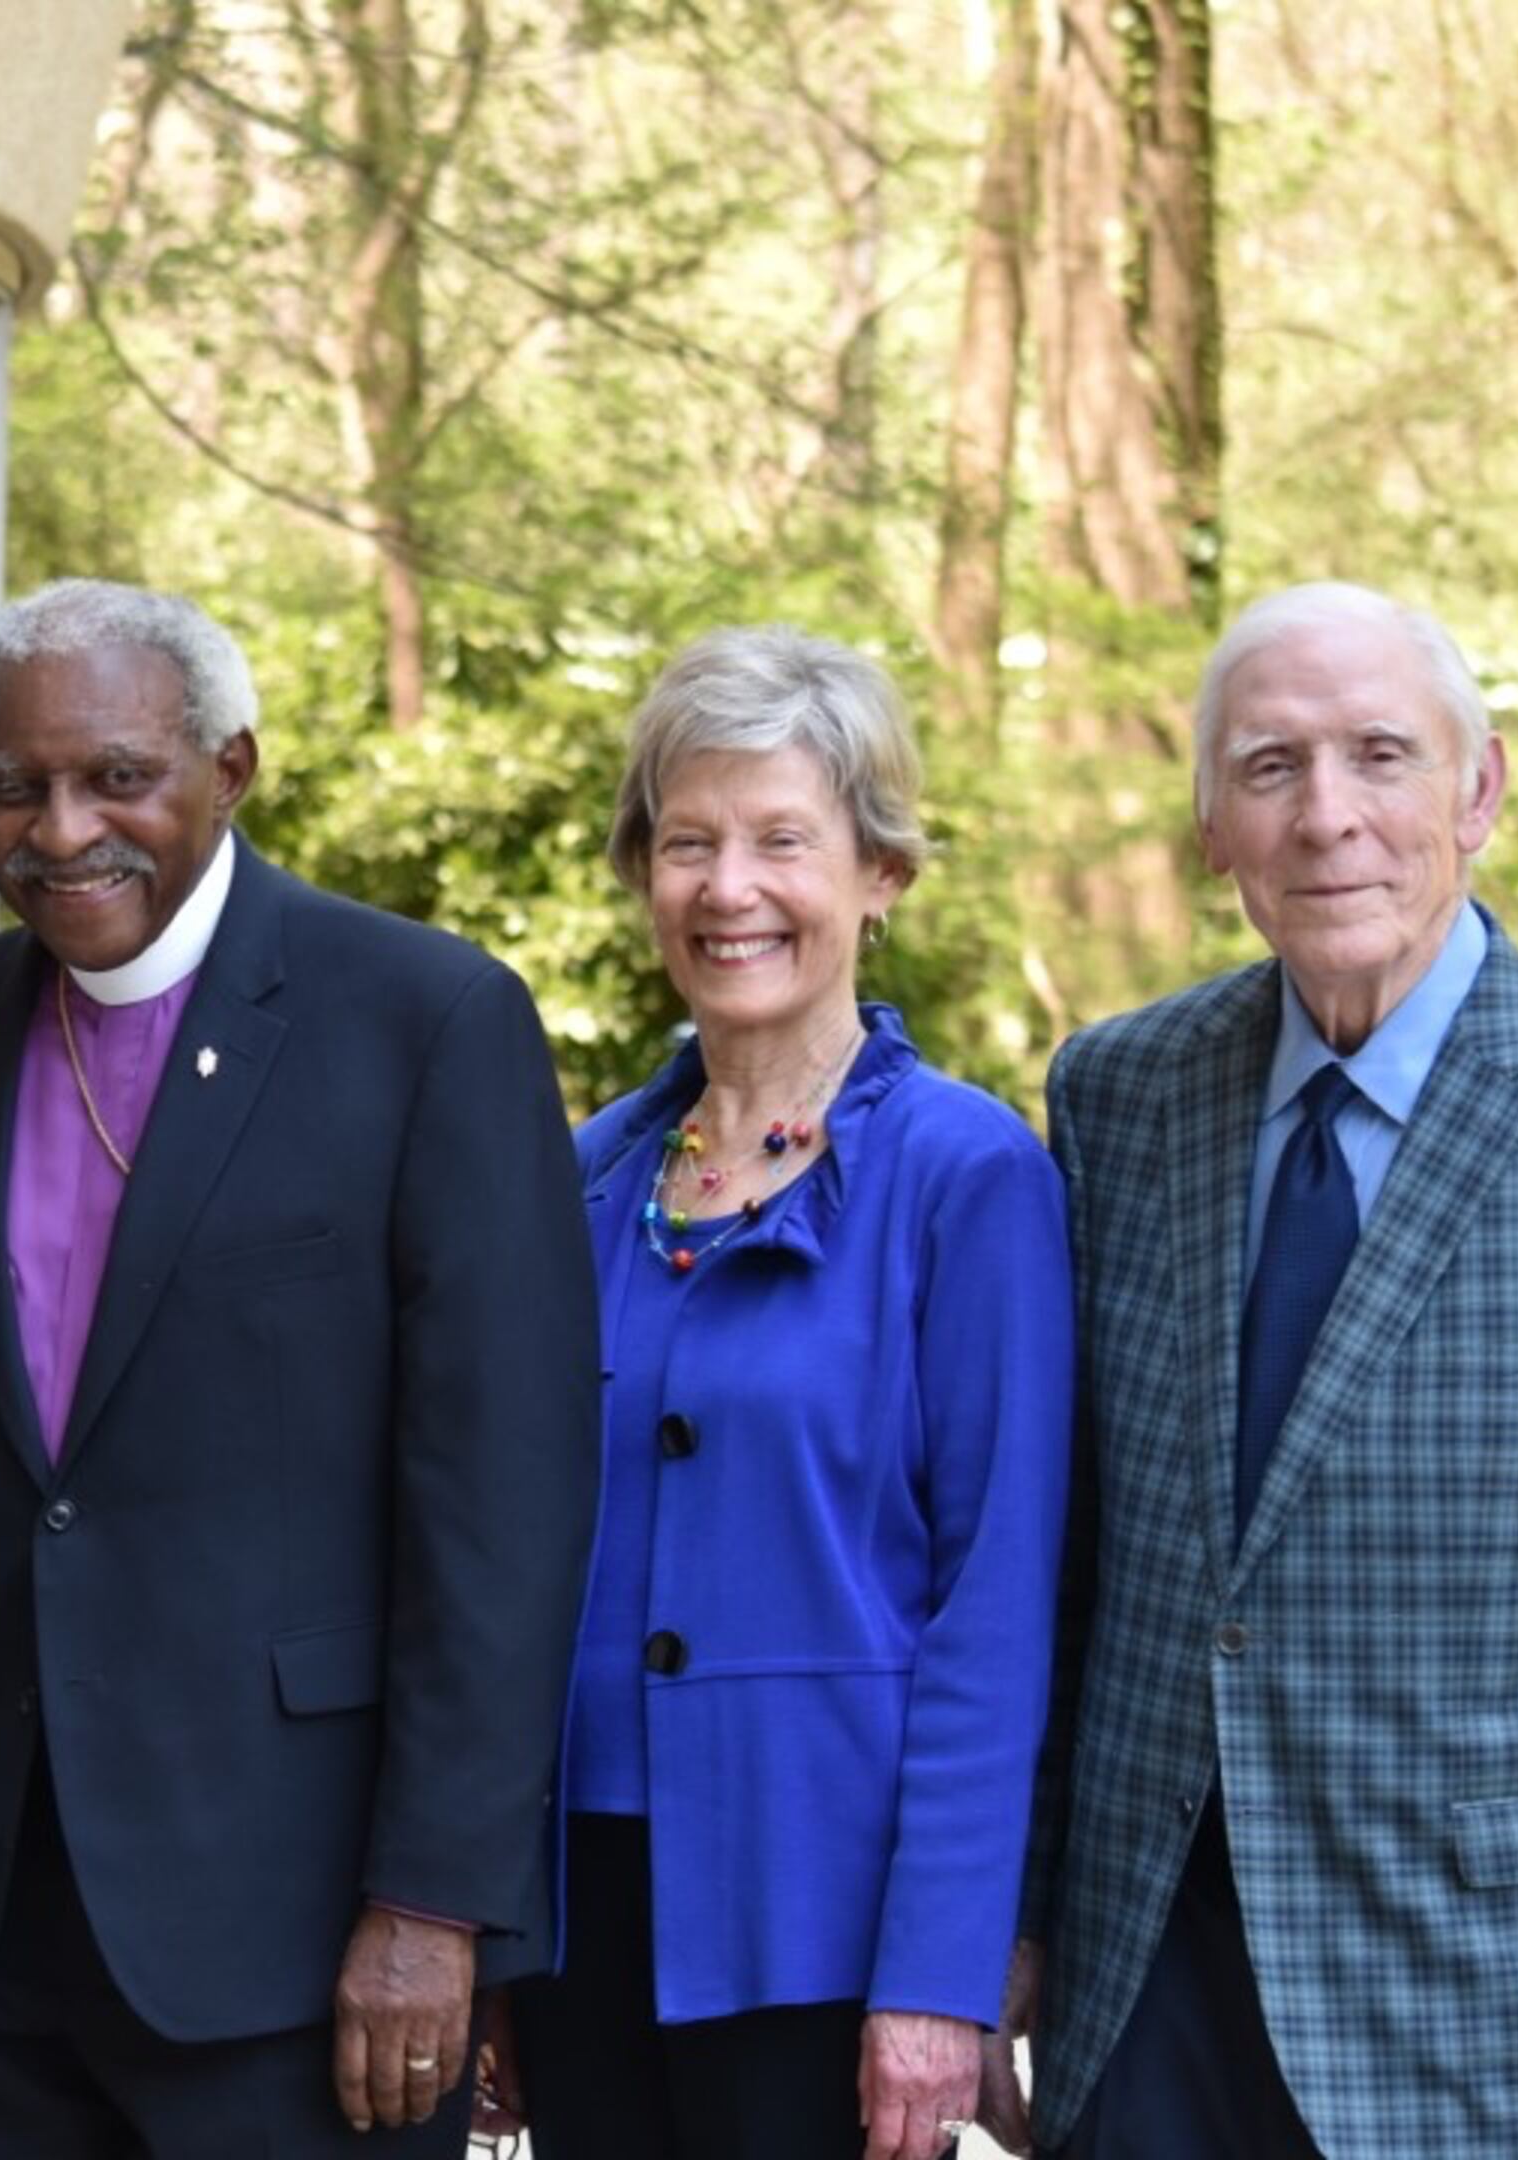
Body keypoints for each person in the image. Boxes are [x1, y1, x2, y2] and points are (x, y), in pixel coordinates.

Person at [978, 582, 1518, 2160]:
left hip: (1486, 2008)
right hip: (1149, 1985)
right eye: (1271, 767)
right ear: (1213, 827)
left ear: (1479, 791)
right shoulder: (1119, 1095)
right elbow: (1073, 1564)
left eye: (1381, 754)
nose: (1329, 816)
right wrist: (1012, 1916)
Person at [0, 578, 601, 2158]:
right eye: (13, 787)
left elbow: (506, 1505)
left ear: (231, 768)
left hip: (299, 1936)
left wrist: (435, 1902)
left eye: (117, 777)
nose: (62, 828)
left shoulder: (426, 1022)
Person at [505, 630, 1069, 2160]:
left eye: (781, 841)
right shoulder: (584, 1179)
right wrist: (488, 1927)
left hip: (829, 1922)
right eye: (687, 842)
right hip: (581, 1919)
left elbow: (996, 1608)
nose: (728, 888)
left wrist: (941, 1976)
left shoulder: (969, 1179)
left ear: (880, 873)